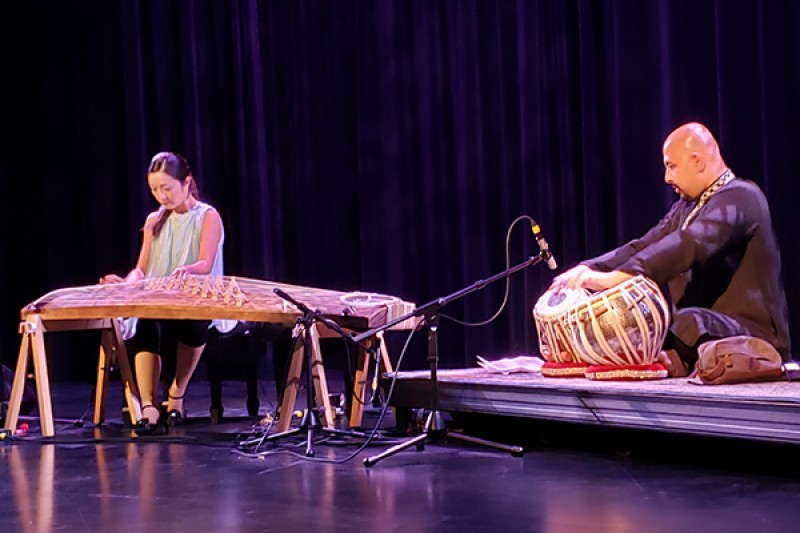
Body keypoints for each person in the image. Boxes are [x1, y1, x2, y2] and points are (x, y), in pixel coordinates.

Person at [549, 122, 790, 376]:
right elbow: (643, 245)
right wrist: (589, 268)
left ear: (697, 161)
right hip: (700, 330)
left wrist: (622, 277)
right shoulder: (685, 208)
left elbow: (691, 242)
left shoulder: (742, 196)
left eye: (671, 166)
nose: (667, 177)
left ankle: (670, 359)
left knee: (688, 322)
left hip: (754, 339)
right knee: (655, 325)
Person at [100, 152, 225, 434]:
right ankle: (148, 406)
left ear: (186, 182)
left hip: (194, 297)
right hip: (158, 299)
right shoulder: (154, 221)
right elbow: (142, 269)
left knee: (195, 323)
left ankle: (176, 395)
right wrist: (126, 282)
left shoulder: (207, 216)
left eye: (167, 188)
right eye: (155, 190)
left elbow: (206, 262)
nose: (161, 196)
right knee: (144, 323)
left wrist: (187, 270)